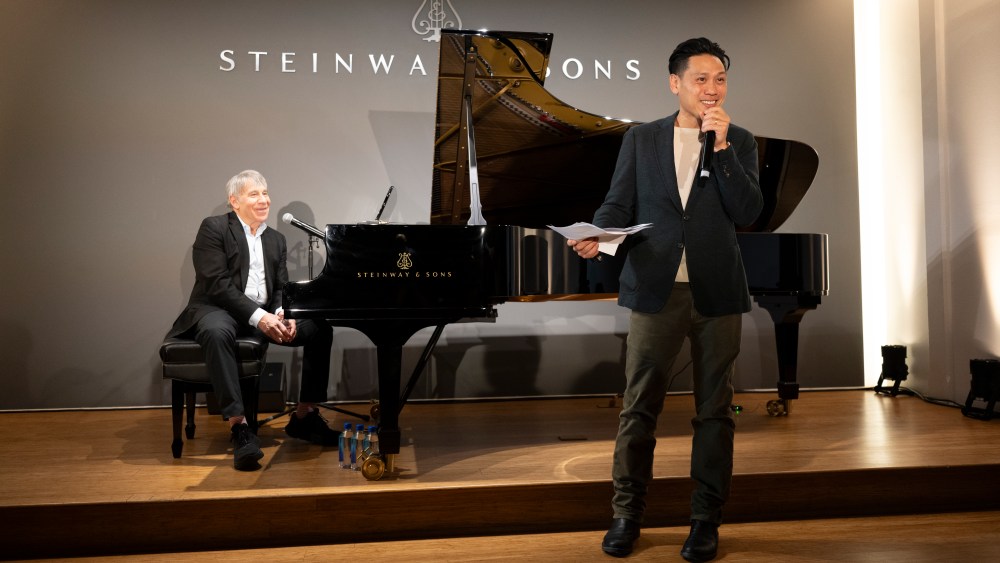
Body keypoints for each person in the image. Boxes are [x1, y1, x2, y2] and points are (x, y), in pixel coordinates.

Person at [568, 38, 762, 561]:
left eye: (719, 79)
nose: (711, 88)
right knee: (638, 408)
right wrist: (598, 234)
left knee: (715, 411)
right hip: (656, 289)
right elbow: (618, 203)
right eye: (701, 79)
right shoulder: (642, 138)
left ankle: (705, 520)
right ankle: (626, 515)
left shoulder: (739, 141)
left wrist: (721, 149)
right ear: (675, 83)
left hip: (717, 291)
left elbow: (748, 211)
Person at [167, 169, 340, 471]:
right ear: (234, 201)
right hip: (217, 309)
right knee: (216, 331)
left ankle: (304, 416)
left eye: (265, 193)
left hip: (262, 314)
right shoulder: (214, 228)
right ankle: (240, 427)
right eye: (254, 194)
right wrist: (260, 318)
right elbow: (216, 284)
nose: (264, 200)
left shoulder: (276, 239)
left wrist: (283, 313)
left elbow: (280, 288)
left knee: (318, 327)